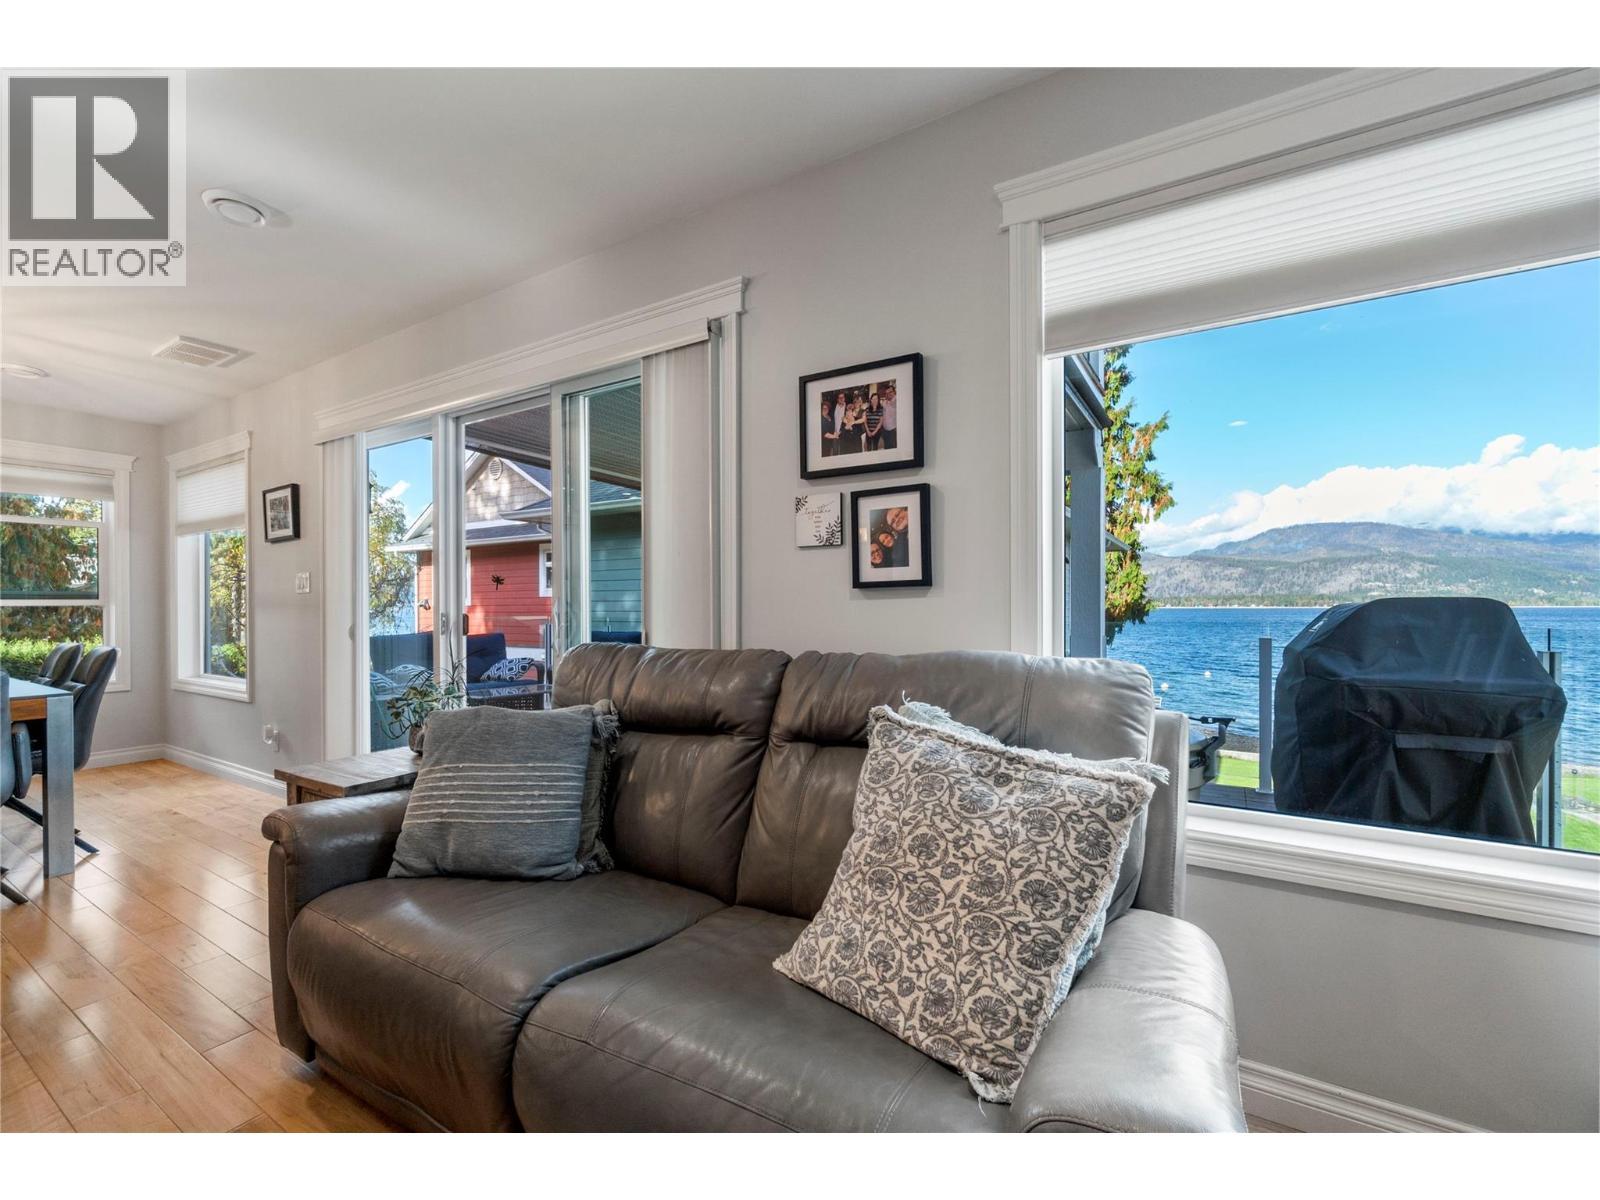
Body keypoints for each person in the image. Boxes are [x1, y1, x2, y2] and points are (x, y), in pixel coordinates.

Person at [879, 381, 898, 451]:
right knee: (887, 448)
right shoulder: (885, 402)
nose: (888, 394)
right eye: (886, 393)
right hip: (885, 431)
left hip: (893, 431)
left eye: (890, 392)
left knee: (893, 450)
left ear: (894, 392)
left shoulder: (897, 401)